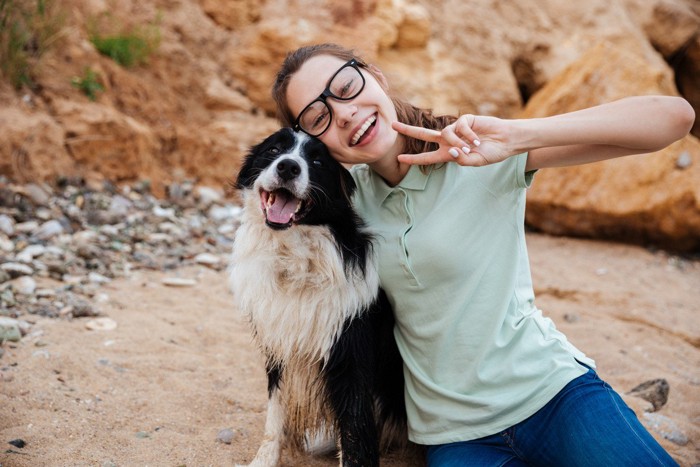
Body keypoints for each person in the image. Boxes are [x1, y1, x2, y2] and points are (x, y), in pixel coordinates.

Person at [271, 43, 695, 466]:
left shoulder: (478, 153)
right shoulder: (343, 205)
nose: (343, 113)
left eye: (345, 86)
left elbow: (674, 118)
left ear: (375, 76)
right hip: (454, 435)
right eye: (318, 117)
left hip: (553, 393)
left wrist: (516, 138)